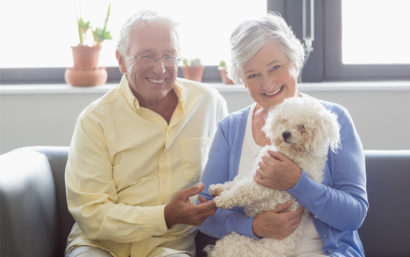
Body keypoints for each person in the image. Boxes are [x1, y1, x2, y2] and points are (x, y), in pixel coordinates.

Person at [196, 12, 368, 257]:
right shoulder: (230, 129)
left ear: (295, 62)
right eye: (253, 75)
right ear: (242, 79)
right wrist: (253, 226)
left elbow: (354, 214)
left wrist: (298, 183)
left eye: (275, 67)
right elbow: (203, 212)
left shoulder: (332, 119)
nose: (267, 85)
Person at [64, 10, 228, 257]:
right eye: (147, 56)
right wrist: (164, 216)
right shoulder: (95, 120)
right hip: (100, 246)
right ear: (121, 60)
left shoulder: (208, 103)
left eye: (169, 56)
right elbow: (92, 214)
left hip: (170, 248)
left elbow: (228, 178)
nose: (160, 69)